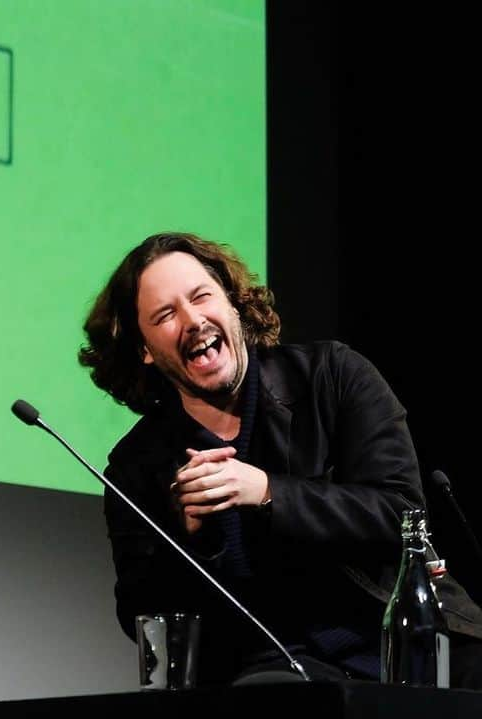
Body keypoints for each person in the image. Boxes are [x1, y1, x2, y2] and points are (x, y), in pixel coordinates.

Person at [78, 231, 482, 687]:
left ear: (233, 304)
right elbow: (141, 618)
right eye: (166, 315)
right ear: (144, 350)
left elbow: (401, 513)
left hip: (410, 641)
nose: (192, 320)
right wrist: (190, 539)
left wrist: (267, 492)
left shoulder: (333, 375)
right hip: (279, 669)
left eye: (201, 296)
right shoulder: (137, 467)